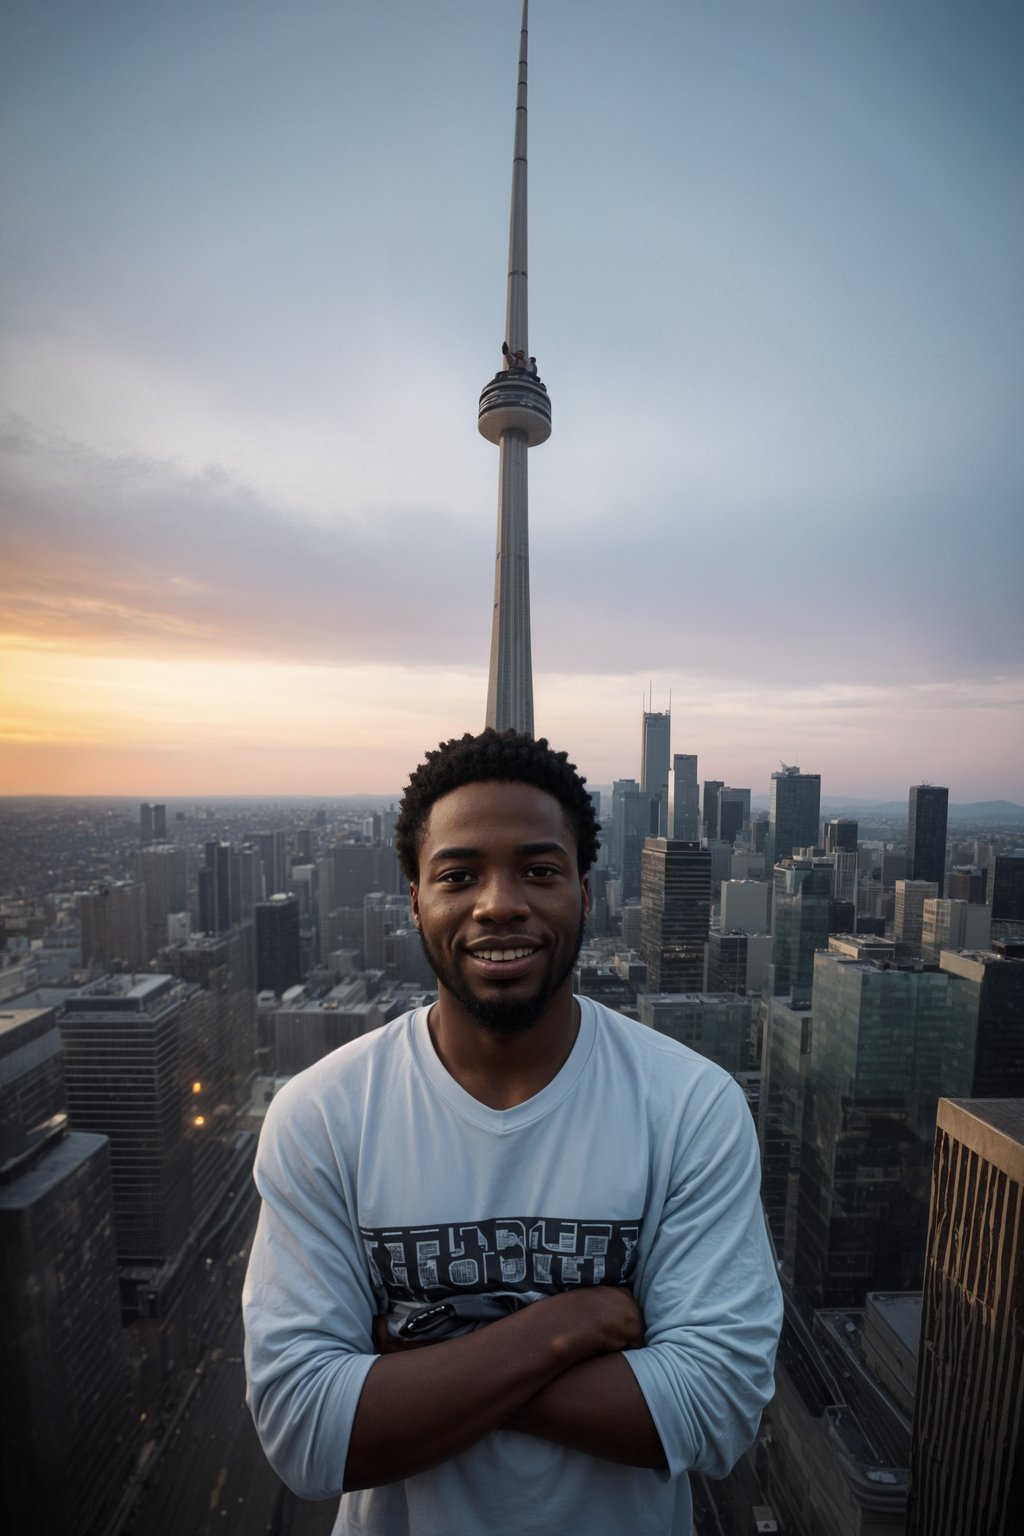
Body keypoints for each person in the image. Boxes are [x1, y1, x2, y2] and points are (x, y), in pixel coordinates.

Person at [243, 729, 782, 1535]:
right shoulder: (324, 1115)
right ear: (415, 901)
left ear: (587, 896)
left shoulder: (689, 1106)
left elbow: (714, 1408)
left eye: (538, 870)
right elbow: (309, 1432)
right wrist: (563, 1327)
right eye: (459, 875)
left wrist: (422, 1366)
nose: (499, 902)